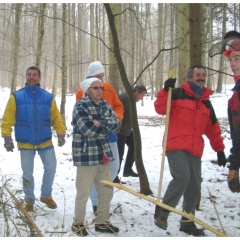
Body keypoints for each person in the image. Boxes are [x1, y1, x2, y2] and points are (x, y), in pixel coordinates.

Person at [153, 64, 226, 236]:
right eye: (197, 74)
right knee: (182, 178)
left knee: (194, 184)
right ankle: (162, 213)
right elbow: (160, 109)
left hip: (195, 148)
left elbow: (212, 128)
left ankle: (187, 221)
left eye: (203, 75)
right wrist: (165, 90)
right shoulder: (176, 93)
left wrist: (220, 150)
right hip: (176, 144)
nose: (201, 77)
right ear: (189, 78)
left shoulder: (206, 101)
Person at [1, 66, 66, 212]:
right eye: (29, 74)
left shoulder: (48, 97)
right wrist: (7, 137)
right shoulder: (16, 97)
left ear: (40, 78)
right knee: (27, 172)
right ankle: (29, 200)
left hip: (45, 140)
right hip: (25, 141)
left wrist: (61, 133)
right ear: (26, 77)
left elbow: (56, 118)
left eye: (34, 75)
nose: (31, 77)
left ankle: (46, 195)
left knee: (51, 167)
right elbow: (7, 119)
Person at [71, 77, 120, 236]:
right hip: (86, 156)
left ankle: (102, 222)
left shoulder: (105, 104)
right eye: (95, 88)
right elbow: (87, 128)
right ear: (87, 90)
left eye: (101, 88)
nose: (100, 90)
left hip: (103, 155)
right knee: (83, 192)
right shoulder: (80, 106)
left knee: (106, 190)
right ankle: (78, 223)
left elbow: (116, 124)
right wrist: (102, 125)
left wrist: (100, 122)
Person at [76, 61, 124, 213]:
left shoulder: (108, 87)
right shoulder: (81, 91)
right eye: (97, 77)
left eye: (102, 77)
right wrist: (107, 123)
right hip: (92, 141)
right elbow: (86, 120)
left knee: (114, 167)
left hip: (111, 137)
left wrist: (115, 119)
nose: (101, 83)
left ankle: (104, 202)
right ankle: (96, 203)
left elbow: (117, 106)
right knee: (94, 173)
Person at [215, 31, 240, 193]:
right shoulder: (235, 97)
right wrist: (235, 165)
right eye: (230, 59)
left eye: (237, 58)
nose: (232, 64)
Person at [113, 85, 147, 183]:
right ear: (136, 92)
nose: (141, 99)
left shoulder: (130, 99)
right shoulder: (124, 98)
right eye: (141, 96)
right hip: (120, 130)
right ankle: (114, 176)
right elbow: (119, 114)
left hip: (127, 130)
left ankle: (127, 169)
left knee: (134, 145)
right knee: (119, 152)